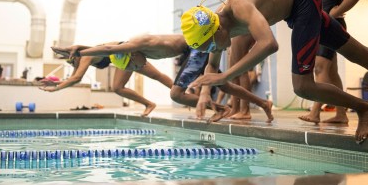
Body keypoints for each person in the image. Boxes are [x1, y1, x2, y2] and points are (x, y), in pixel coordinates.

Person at [180, 0, 368, 142]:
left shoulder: (240, 7)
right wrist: (204, 94)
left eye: (211, 44)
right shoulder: (216, 30)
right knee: (356, 51)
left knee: (302, 86)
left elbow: (269, 44)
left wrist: (224, 77)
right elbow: (212, 66)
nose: (214, 49)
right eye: (207, 48)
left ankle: (364, 108)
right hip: (297, 8)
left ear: (216, 28)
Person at [69, 34, 274, 123]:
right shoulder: (140, 52)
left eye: (132, 64)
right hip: (190, 51)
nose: (135, 68)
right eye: (131, 68)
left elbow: (107, 48)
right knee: (224, 85)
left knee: (176, 94)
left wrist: (81, 53)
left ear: (131, 53)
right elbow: (106, 48)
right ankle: (263, 103)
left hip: (195, 48)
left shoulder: (139, 42)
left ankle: (221, 108)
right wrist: (80, 48)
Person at [299, 0, 360, 125]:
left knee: (320, 69)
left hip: (330, 27)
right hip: (320, 28)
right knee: (332, 74)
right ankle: (341, 114)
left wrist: (335, 13)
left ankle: (315, 112)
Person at [39, 45, 173, 117]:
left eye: (72, 60)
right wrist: (57, 83)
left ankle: (179, 92)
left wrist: (55, 89)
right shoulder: (82, 56)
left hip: (127, 53)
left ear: (75, 55)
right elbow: (72, 79)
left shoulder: (86, 56)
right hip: (122, 58)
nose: (72, 63)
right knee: (118, 87)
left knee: (156, 76)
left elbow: (76, 78)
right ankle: (150, 104)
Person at [216, 0, 258, 120]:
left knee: (240, 70)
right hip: (238, 32)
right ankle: (235, 108)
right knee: (233, 71)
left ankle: (245, 110)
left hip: (244, 30)